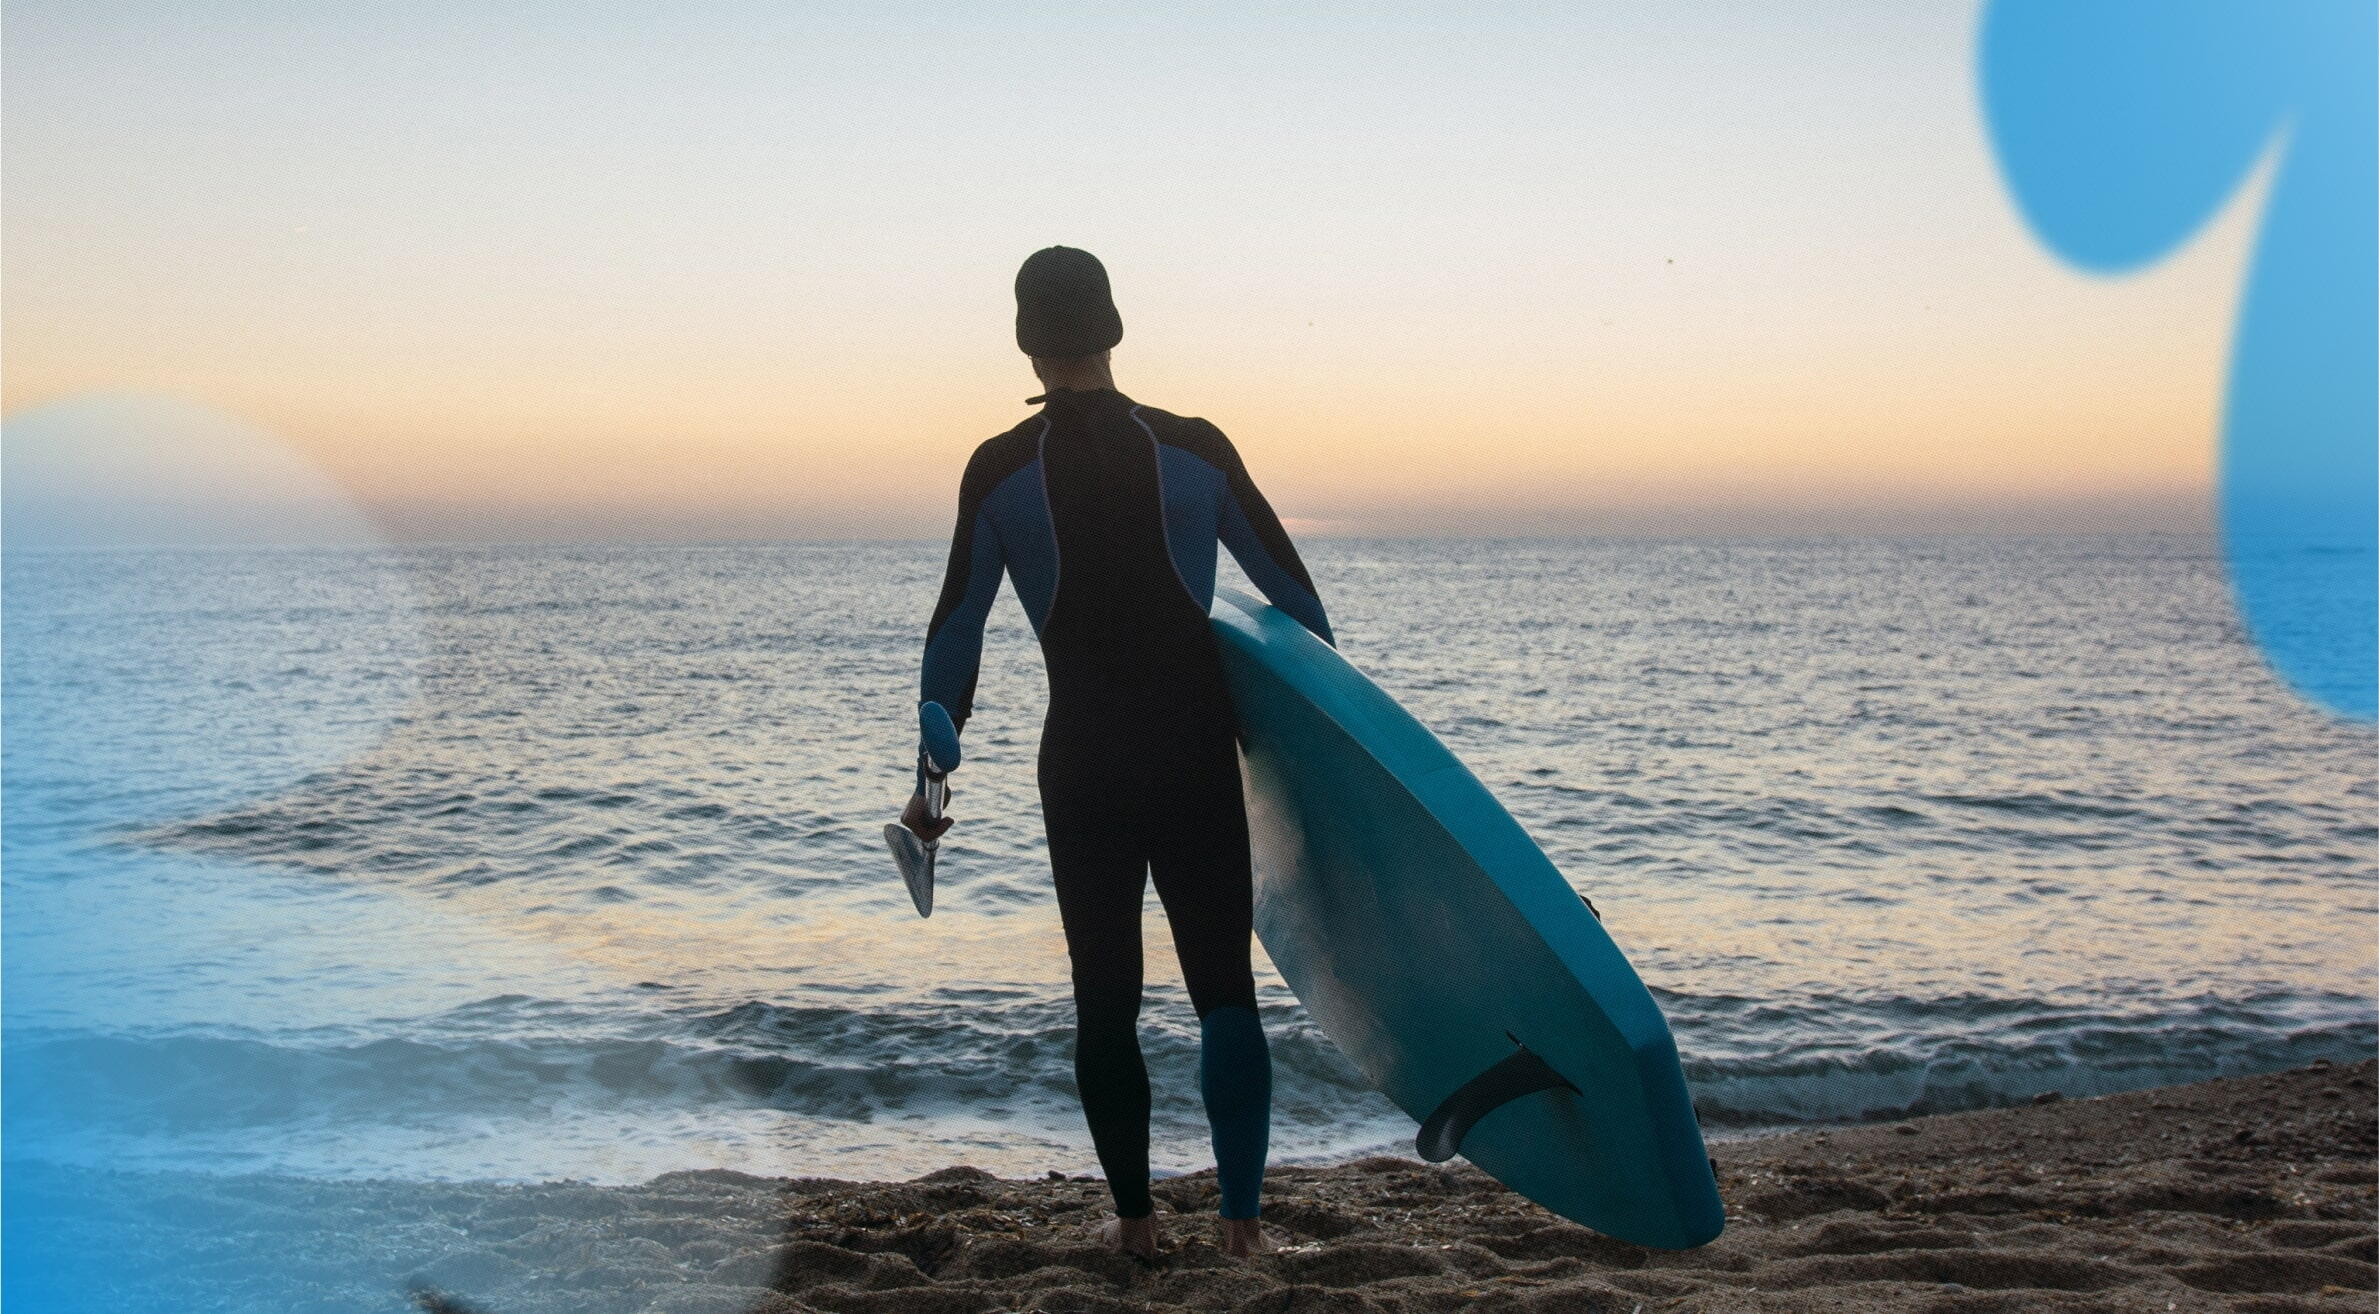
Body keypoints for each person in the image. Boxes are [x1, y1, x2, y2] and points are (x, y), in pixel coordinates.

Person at [900, 247, 1333, 1261]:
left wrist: (932, 774)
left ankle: (1135, 1223)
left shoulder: (1000, 468)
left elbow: (955, 630)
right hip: (1192, 752)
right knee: (1222, 984)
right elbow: (1300, 608)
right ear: (1114, 328)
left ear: (1025, 340)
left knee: (1106, 995)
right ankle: (1240, 1226)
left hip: (1084, 764)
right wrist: (1306, 759)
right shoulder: (1197, 448)